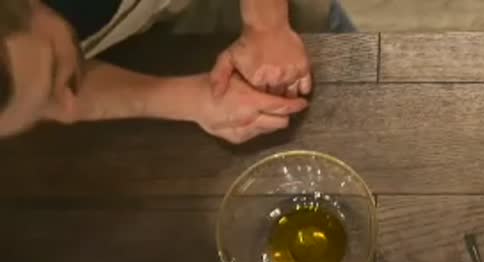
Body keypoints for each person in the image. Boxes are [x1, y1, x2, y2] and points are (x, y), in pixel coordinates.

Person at [0, 0, 350, 143]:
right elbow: (52, 98)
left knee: (323, 34)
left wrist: (266, 24)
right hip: (140, 32)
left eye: (55, 72)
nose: (69, 111)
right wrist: (198, 100)